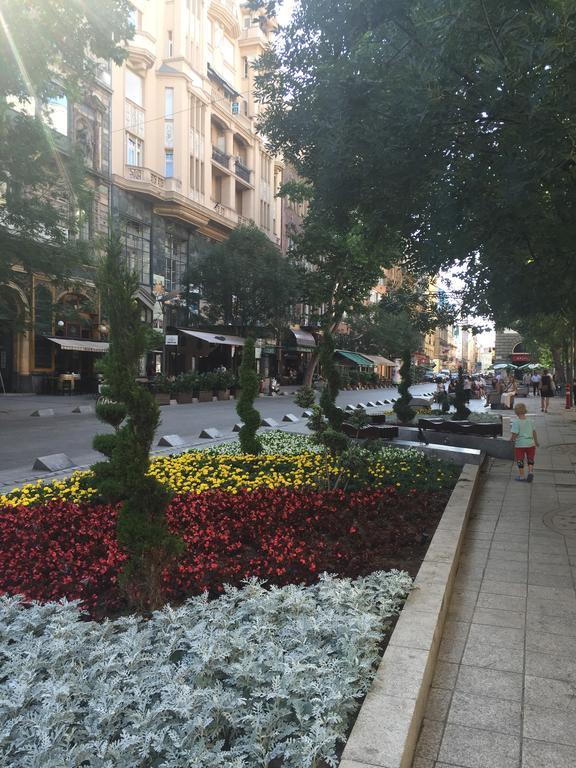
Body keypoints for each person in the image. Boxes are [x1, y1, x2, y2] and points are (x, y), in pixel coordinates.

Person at [510, 402, 539, 482]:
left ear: (516, 412)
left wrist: (511, 439)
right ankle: (530, 472)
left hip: (520, 445)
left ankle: (522, 476)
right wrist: (536, 442)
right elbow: (534, 432)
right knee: (530, 458)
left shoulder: (516, 422)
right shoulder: (530, 421)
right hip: (531, 444)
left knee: (520, 459)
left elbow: (515, 433)